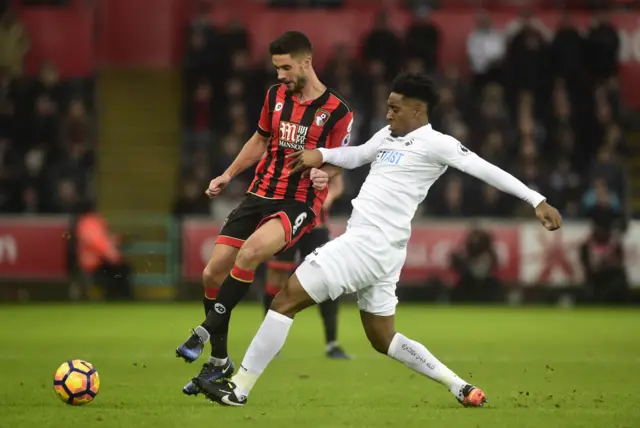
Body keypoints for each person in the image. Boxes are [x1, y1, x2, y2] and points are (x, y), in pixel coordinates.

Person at [194, 72, 563, 407]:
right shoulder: (388, 136)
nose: (387, 114)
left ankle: (238, 388)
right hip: (385, 252)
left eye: (395, 108)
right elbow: (356, 156)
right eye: (387, 106)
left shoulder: (438, 144)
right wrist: (319, 155)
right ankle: (459, 386)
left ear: (417, 111)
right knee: (383, 338)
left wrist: (537, 200)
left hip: (368, 245)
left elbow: (485, 169)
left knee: (285, 299)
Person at [176, 31, 354, 396]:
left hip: (298, 202)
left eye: (286, 67)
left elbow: (344, 159)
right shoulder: (275, 96)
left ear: (306, 62)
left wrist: (327, 172)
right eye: (276, 67)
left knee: (252, 252)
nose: (280, 75)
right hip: (258, 194)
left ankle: (205, 329)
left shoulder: (338, 111)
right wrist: (227, 175)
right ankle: (219, 361)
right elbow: (259, 140)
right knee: (212, 273)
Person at [263, 173, 350, 359]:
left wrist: (329, 197)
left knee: (327, 278)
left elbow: (337, 183)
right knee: (276, 278)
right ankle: (269, 343)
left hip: (316, 224)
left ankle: (332, 344)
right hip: (284, 220)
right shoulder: (284, 147)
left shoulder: (326, 150)